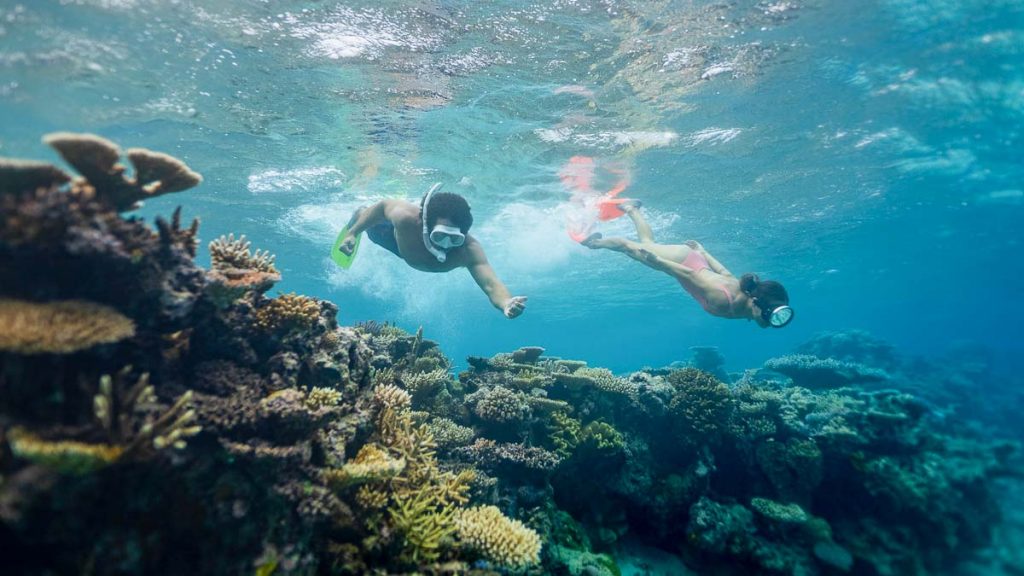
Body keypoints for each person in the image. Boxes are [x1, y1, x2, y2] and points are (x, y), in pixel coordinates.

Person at [581, 202, 793, 328]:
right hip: (683, 263)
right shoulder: (724, 300)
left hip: (693, 260)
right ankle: (593, 242)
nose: (773, 321)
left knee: (648, 244)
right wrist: (659, 262)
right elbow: (690, 276)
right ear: (756, 304)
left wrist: (703, 252)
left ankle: (632, 209)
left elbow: (724, 272)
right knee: (629, 247)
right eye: (773, 315)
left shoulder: (746, 301)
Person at [338, 184, 527, 319]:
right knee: (372, 229)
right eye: (440, 236)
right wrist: (352, 233)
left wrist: (505, 303)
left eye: (454, 239)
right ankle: (360, 212)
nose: (445, 245)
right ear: (424, 225)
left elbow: (490, 284)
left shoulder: (468, 250)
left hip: (408, 254)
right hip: (393, 238)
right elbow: (382, 207)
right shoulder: (405, 218)